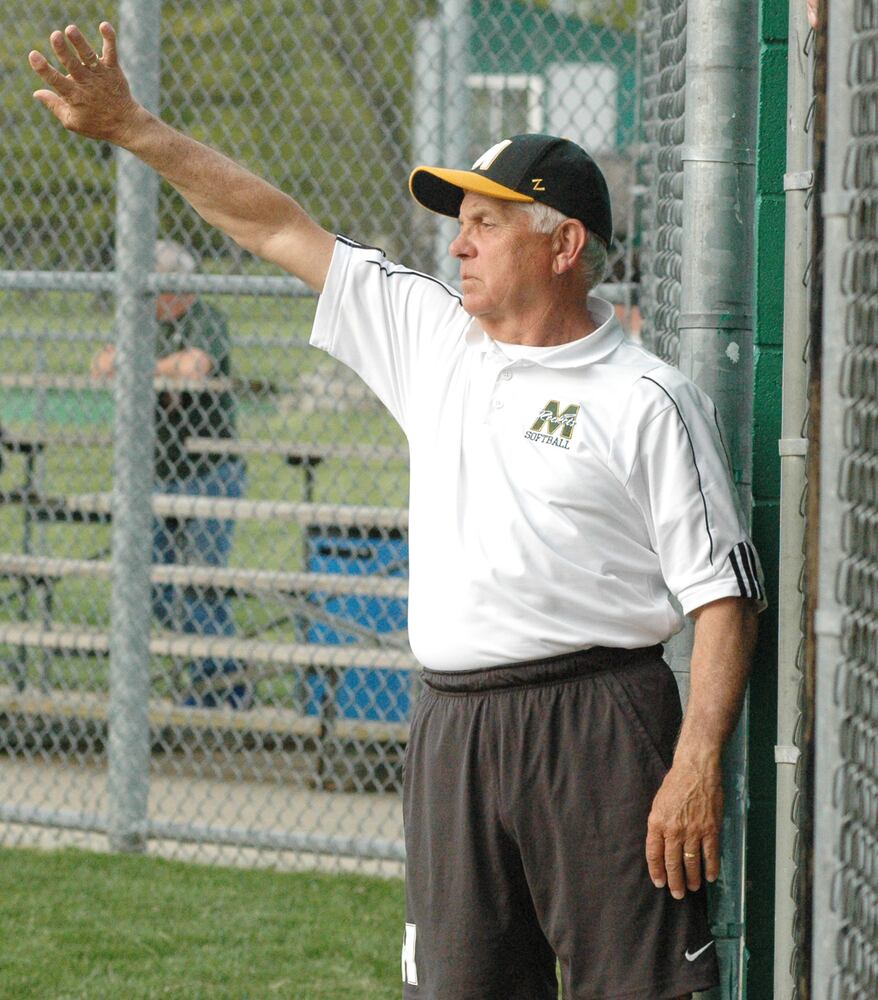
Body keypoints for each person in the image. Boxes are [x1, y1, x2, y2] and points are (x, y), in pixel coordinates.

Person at [30, 23, 764, 999]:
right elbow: (274, 225)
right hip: (452, 727)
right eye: (457, 221)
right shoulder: (431, 337)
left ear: (563, 245)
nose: (455, 243)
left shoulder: (646, 397)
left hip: (597, 724)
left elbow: (722, 598)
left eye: (486, 223)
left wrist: (692, 764)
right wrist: (134, 128)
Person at [90, 237, 247, 709]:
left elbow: (195, 365)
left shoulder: (204, 319)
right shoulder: (139, 319)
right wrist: (155, 367)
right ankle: (217, 677)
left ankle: (224, 687)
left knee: (201, 582)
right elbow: (101, 365)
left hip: (209, 472)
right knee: (152, 584)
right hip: (151, 475)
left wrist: (139, 366)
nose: (155, 296)